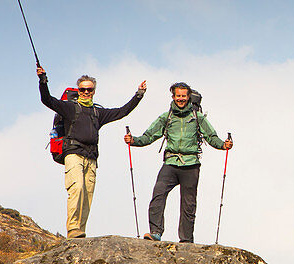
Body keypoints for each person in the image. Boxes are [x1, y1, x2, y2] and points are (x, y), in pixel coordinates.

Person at [37, 66, 146, 238]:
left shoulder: (98, 112)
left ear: (94, 91)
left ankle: (80, 230)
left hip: (92, 158)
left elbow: (122, 111)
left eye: (89, 89)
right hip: (73, 154)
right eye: (83, 89)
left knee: (87, 195)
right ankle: (73, 229)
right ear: (78, 90)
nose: (86, 92)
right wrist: (43, 80)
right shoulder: (69, 108)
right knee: (77, 188)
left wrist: (138, 95)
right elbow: (47, 100)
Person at [124, 82, 232, 243]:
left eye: (183, 96)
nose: (181, 99)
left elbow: (211, 137)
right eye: (178, 96)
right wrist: (134, 141)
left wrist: (223, 145)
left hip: (191, 164)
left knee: (188, 204)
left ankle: (186, 240)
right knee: (158, 195)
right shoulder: (166, 117)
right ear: (173, 97)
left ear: (188, 97)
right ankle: (155, 232)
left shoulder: (197, 117)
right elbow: (149, 136)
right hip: (171, 162)